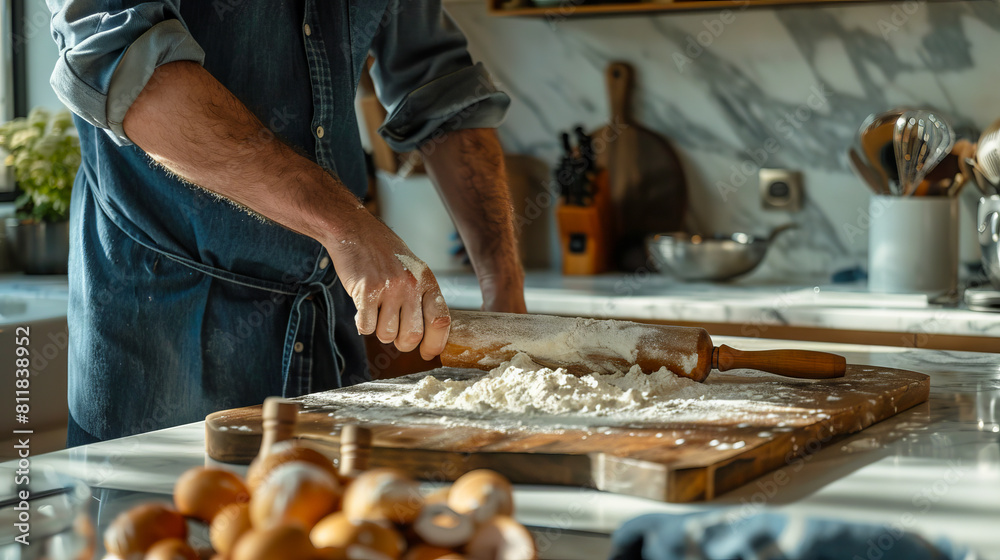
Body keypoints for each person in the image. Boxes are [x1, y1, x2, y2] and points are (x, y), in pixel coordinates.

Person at [46, 0, 527, 445]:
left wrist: (502, 284)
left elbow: (442, 85)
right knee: (160, 534)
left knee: (328, 529)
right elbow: (132, 76)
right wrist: (347, 226)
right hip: (165, 331)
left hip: (328, 328)